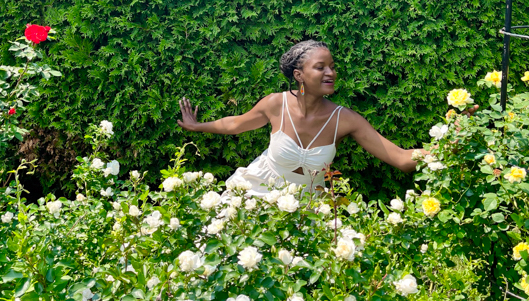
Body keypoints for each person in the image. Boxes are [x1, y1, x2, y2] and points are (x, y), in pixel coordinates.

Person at [178, 39, 431, 195]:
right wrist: (197, 126)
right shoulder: (276, 104)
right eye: (320, 67)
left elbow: (401, 158)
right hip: (260, 191)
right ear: (299, 75)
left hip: (307, 207)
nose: (330, 72)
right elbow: (235, 124)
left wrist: (451, 142)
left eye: (332, 66)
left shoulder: (345, 120)